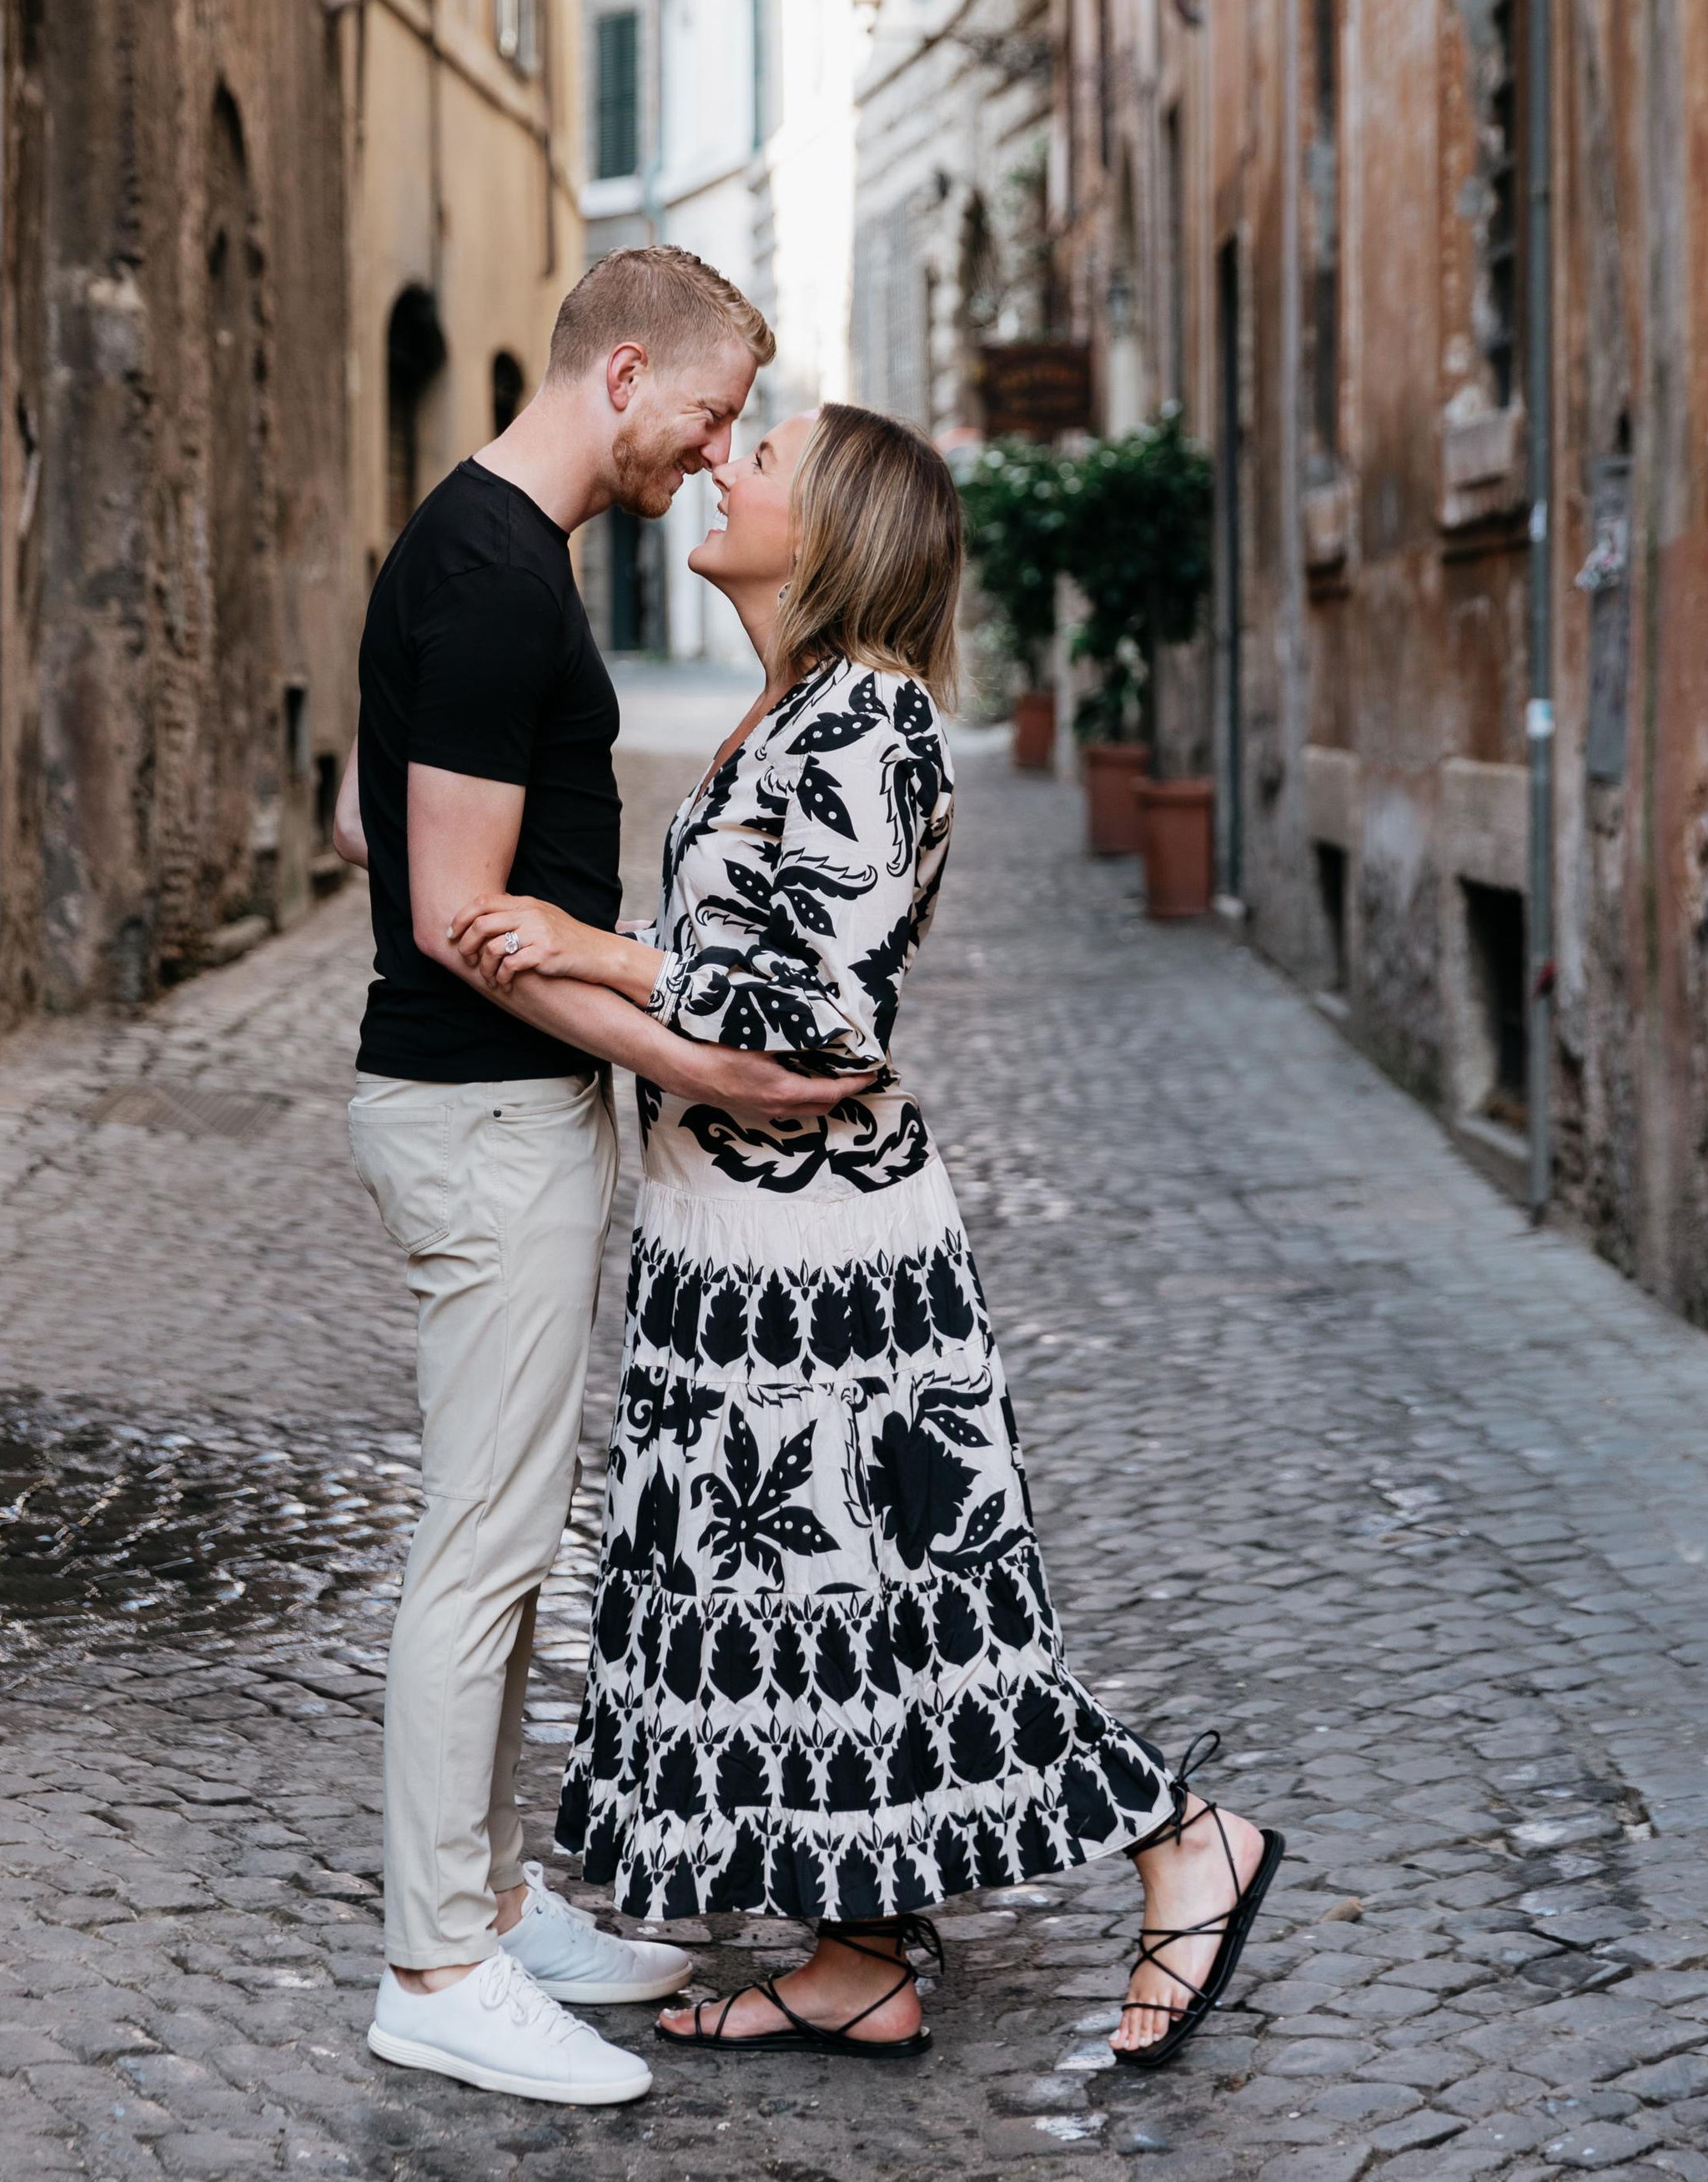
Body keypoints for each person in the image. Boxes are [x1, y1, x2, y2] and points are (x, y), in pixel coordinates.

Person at [453, 403, 1284, 2070]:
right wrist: (607, 955)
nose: (719, 466)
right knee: (798, 1630)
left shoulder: (872, 726)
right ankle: (855, 1960)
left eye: (757, 459)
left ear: (828, 535)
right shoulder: (790, 712)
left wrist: (586, 957)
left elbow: (819, 1034)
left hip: (826, 1276)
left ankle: (1182, 1839)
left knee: (920, 1626)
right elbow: (746, 954)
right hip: (729, 1256)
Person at [329, 249, 877, 2110]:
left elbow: (398, 832)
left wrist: (624, 1019)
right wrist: (696, 1061)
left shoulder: (494, 555)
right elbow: (454, 916)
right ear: (625, 369)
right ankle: (433, 1967)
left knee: (501, 1534)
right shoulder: (491, 575)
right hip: (483, 1113)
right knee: (480, 1545)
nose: (715, 452)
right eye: (711, 414)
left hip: (500, 1102)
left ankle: (485, 1905)